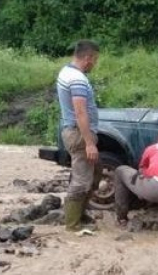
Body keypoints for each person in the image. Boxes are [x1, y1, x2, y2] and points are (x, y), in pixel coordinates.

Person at [56, 40, 101, 233]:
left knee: (96, 172)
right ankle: (73, 224)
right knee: (82, 179)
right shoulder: (77, 79)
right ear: (88, 58)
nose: (95, 64)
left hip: (74, 131)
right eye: (95, 59)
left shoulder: (66, 71)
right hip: (78, 134)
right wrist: (89, 143)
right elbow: (80, 112)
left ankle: (80, 214)